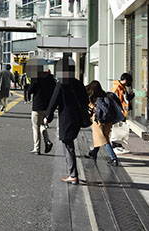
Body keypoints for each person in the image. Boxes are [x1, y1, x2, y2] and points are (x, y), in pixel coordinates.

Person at [44, 57, 89, 185]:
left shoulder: (61, 83)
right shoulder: (78, 83)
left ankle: (73, 175)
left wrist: (48, 116)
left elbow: (54, 101)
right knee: (69, 143)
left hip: (66, 117)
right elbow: (85, 100)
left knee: (68, 144)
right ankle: (73, 174)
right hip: (77, 117)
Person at [85, 80, 120, 166]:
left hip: (98, 121)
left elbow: (91, 110)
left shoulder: (96, 98)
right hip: (108, 121)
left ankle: (113, 158)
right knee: (101, 137)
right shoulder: (107, 96)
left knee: (104, 140)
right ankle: (94, 153)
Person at [28, 65, 55, 154]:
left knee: (35, 127)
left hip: (37, 106)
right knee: (42, 124)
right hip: (47, 106)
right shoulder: (51, 78)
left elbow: (30, 90)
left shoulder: (36, 78)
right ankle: (47, 141)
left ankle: (37, 148)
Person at [110, 73, 133, 152]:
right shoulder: (117, 87)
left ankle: (118, 144)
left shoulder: (122, 88)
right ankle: (115, 145)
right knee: (117, 128)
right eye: (129, 81)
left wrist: (130, 97)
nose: (129, 84)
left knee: (120, 128)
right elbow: (114, 99)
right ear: (126, 80)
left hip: (122, 111)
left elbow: (124, 99)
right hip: (119, 111)